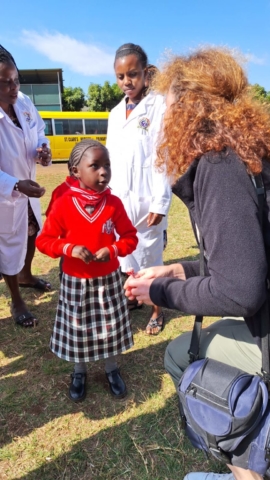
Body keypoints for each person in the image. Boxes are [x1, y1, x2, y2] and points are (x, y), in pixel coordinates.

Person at [124, 47, 270, 480]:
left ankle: (249, 457)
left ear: (187, 110)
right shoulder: (245, 152)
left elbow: (242, 288)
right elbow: (245, 256)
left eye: (168, 107)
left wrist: (161, 292)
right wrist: (178, 270)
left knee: (177, 355)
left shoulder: (219, 164)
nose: (163, 120)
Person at [36, 139, 138, 402]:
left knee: (110, 325)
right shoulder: (64, 202)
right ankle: (79, 371)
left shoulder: (113, 203)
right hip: (75, 281)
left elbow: (129, 237)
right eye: (95, 166)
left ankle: (111, 369)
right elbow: (44, 241)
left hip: (108, 280)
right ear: (75, 171)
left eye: (107, 165)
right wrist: (69, 248)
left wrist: (113, 250)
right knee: (77, 327)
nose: (103, 171)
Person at [106, 43, 172, 335]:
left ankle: (157, 309)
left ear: (146, 73)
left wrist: (160, 202)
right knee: (127, 254)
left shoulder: (159, 105)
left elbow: (164, 155)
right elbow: (109, 158)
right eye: (120, 76)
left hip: (148, 197)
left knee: (150, 255)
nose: (126, 82)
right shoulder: (114, 113)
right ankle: (134, 298)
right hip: (120, 197)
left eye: (132, 74)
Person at [0, 45, 52, 328]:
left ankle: (26, 275)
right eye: (5, 82)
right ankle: (16, 299)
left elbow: (39, 132)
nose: (13, 87)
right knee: (9, 245)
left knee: (32, 233)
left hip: (28, 191)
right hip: (5, 196)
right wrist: (15, 184)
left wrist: (42, 150)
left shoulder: (23, 102)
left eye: (15, 79)